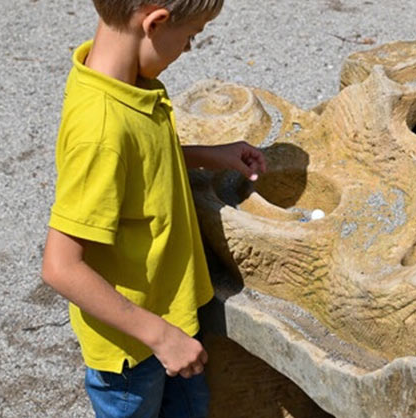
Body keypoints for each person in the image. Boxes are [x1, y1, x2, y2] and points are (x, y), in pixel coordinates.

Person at [40, 0, 266, 416]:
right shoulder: (102, 127)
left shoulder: (126, 83)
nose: (189, 49)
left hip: (169, 318)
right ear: (156, 22)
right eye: (190, 36)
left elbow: (138, 164)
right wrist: (162, 338)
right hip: (136, 351)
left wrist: (209, 155)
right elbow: (60, 266)